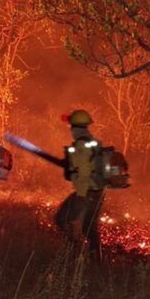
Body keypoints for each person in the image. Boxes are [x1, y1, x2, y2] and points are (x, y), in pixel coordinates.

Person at [55, 109, 106, 261]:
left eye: (71, 126)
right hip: (97, 191)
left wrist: (81, 197)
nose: (70, 129)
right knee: (90, 229)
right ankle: (96, 262)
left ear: (75, 127)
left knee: (61, 218)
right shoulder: (93, 142)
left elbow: (83, 172)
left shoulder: (82, 145)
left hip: (86, 192)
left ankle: (75, 251)